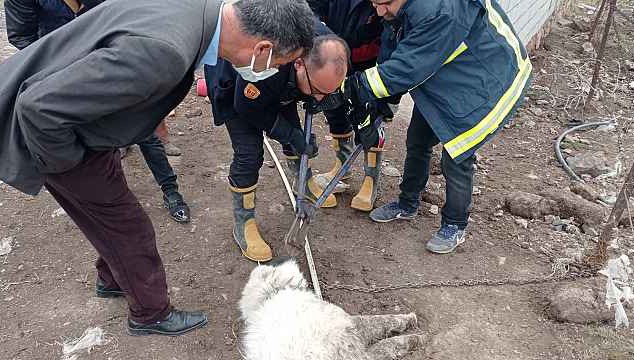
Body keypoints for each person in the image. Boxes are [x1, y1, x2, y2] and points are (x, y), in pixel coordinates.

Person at [0, 0, 315, 335]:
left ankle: (113, 279)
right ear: (263, 49)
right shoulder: (167, 52)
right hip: (57, 138)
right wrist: (72, 165)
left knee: (114, 220)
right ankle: (150, 314)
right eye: (280, 64)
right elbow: (38, 109)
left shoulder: (194, 12)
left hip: (84, 128)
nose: (274, 72)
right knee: (131, 228)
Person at [342, 0, 533, 254]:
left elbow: (407, 67)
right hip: (444, 75)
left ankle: (455, 224)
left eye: (385, 3)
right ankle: (407, 203)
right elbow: (395, 46)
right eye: (375, 2)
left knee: (456, 156)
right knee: (417, 140)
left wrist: (354, 88)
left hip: (483, 81)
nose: (379, 11)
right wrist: (383, 101)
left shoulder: (440, 10)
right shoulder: (402, 10)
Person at [5, 0, 191, 223]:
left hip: (108, 66)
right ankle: (108, 206)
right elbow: (21, 36)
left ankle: (171, 191)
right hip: (64, 80)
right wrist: (54, 73)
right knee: (92, 147)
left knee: (145, 132)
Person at [205, 34, 349, 262]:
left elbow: (321, 91)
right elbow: (248, 108)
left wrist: (322, 99)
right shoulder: (269, 56)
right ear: (299, 64)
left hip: (281, 81)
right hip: (237, 90)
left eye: (326, 92)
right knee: (249, 154)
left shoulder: (324, 48)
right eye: (318, 89)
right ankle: (244, 222)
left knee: (294, 130)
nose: (320, 99)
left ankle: (303, 184)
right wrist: (290, 134)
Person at [308, 0, 400, 212]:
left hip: (369, 62)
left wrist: (391, 96)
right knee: (334, 112)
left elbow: (394, 35)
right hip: (332, 57)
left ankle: (370, 180)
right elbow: (309, 7)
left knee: (369, 120)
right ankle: (343, 165)